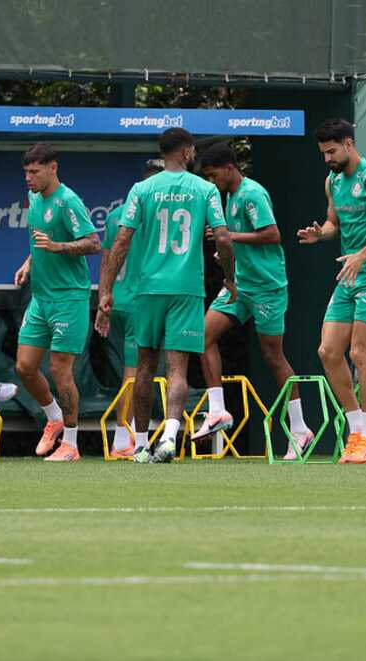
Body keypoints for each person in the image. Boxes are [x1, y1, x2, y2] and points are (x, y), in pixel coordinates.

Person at [96, 127, 236, 463]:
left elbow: (121, 241)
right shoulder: (205, 189)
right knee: (178, 368)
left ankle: (141, 444)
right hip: (186, 289)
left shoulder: (142, 189)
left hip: (148, 289)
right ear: (188, 151)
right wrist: (230, 278)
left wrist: (106, 290)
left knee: (145, 365)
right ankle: (171, 436)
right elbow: (224, 238)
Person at [195, 142, 313, 459]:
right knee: (203, 336)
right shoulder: (229, 196)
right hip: (239, 286)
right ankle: (218, 410)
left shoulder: (251, 193)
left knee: (273, 356)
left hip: (267, 286)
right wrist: (228, 265)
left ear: (229, 168)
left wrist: (228, 237)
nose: (211, 181)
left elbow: (272, 234)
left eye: (212, 174)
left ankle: (300, 428)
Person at [298, 118, 366, 464]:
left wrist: (362, 254)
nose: (327, 158)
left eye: (331, 151)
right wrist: (322, 233)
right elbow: (334, 223)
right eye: (323, 153)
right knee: (328, 351)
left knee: (360, 355)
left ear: (349, 144)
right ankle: (357, 429)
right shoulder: (332, 181)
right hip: (349, 274)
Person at [11, 142, 101, 462]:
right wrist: (29, 262)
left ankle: (72, 444)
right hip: (41, 298)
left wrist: (58, 247)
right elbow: (40, 240)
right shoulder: (33, 198)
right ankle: (53, 417)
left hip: (69, 297)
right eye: (26, 173)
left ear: (53, 168)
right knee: (24, 366)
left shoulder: (69, 202)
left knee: (60, 369)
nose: (29, 178)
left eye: (35, 172)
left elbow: (94, 244)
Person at [100, 158, 163, 458]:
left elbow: (106, 260)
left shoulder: (114, 215)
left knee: (132, 371)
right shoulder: (156, 214)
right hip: (142, 302)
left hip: (119, 300)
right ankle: (121, 439)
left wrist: (104, 297)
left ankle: (123, 437)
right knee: (135, 373)